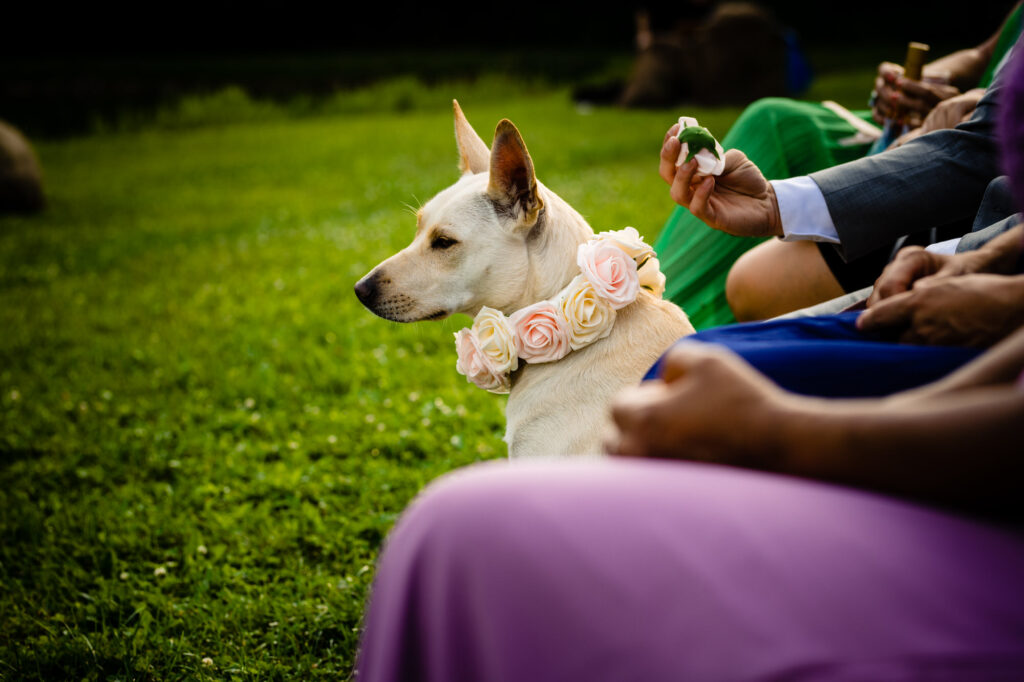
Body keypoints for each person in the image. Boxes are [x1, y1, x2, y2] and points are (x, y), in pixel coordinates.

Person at [354, 38, 1024, 682]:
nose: (386, 275)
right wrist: (972, 259)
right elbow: (978, 142)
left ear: (522, 196)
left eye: (442, 245)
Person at [655, 2, 1022, 329]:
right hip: (937, 141)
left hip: (974, 217)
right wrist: (924, 82)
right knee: (771, 117)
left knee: (737, 315)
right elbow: (985, 56)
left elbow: (980, 146)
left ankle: (660, 321)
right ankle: (647, 298)